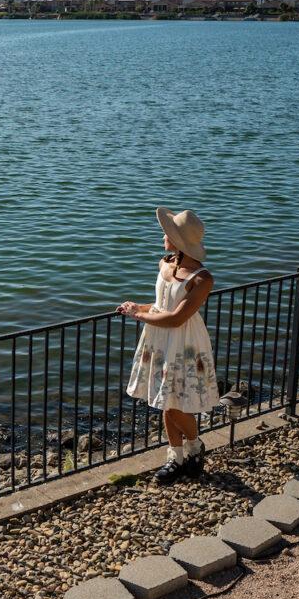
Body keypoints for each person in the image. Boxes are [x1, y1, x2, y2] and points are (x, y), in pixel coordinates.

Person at [117, 208, 220, 485]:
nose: (164, 236)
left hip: (184, 340)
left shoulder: (201, 278)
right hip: (159, 336)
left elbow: (177, 318)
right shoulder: (165, 264)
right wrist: (138, 306)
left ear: (178, 240)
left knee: (174, 405)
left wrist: (138, 316)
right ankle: (177, 457)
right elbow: (162, 306)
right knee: (166, 400)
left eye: (169, 233)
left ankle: (195, 447)